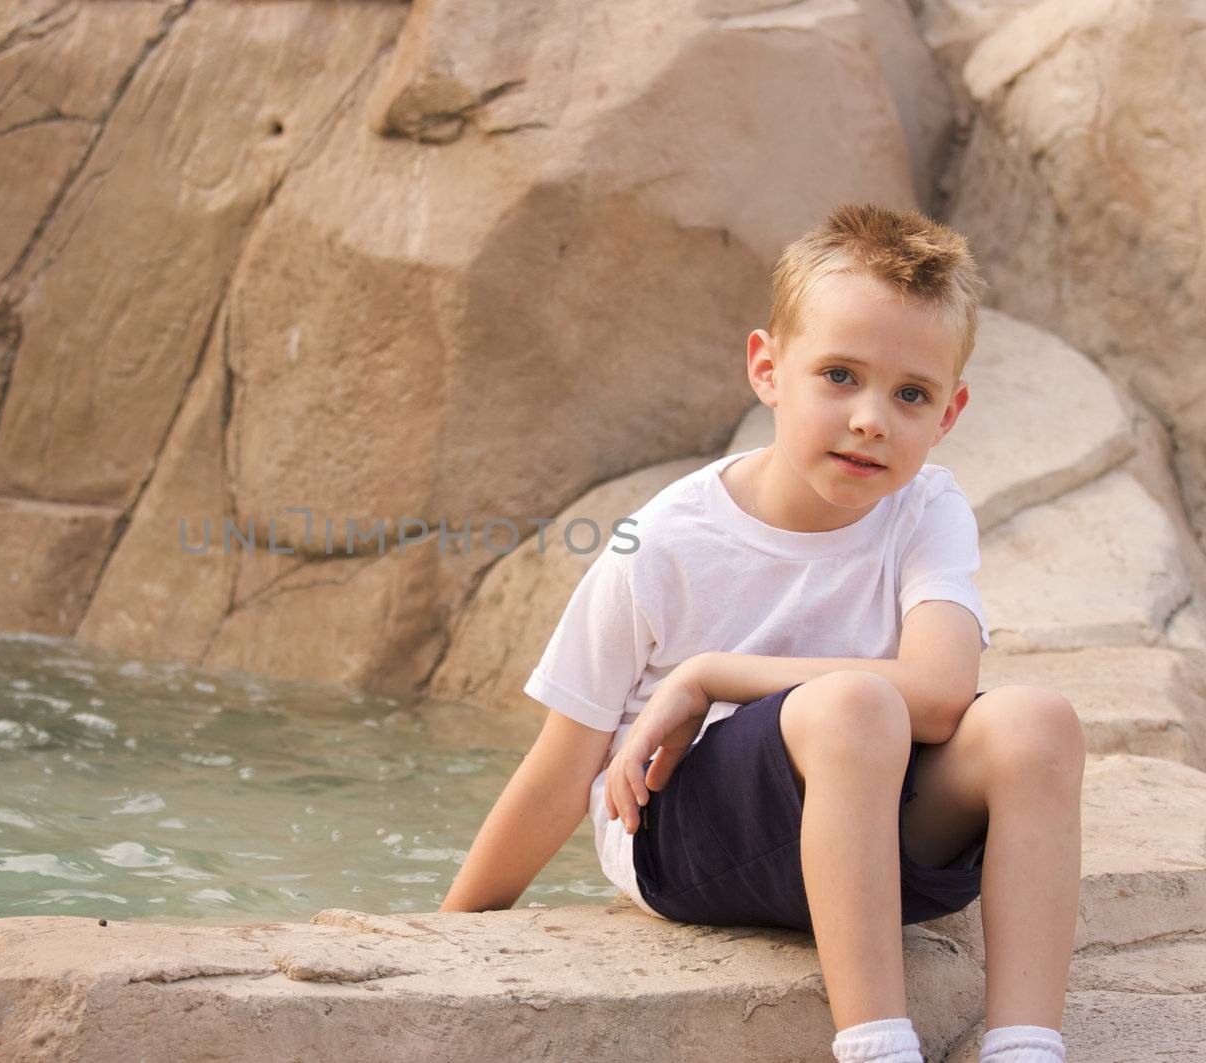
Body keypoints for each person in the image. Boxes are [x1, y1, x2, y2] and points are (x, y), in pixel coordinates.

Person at [439, 203, 1083, 1063]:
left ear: (949, 414)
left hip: (878, 841)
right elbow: (562, 769)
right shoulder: (661, 540)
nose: (871, 419)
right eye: (840, 375)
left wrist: (711, 672)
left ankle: (1026, 1049)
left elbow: (937, 696)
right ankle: (876, 1046)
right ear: (768, 368)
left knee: (1036, 721)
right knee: (854, 703)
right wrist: (447, 938)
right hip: (685, 846)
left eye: (911, 394)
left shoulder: (928, 507)